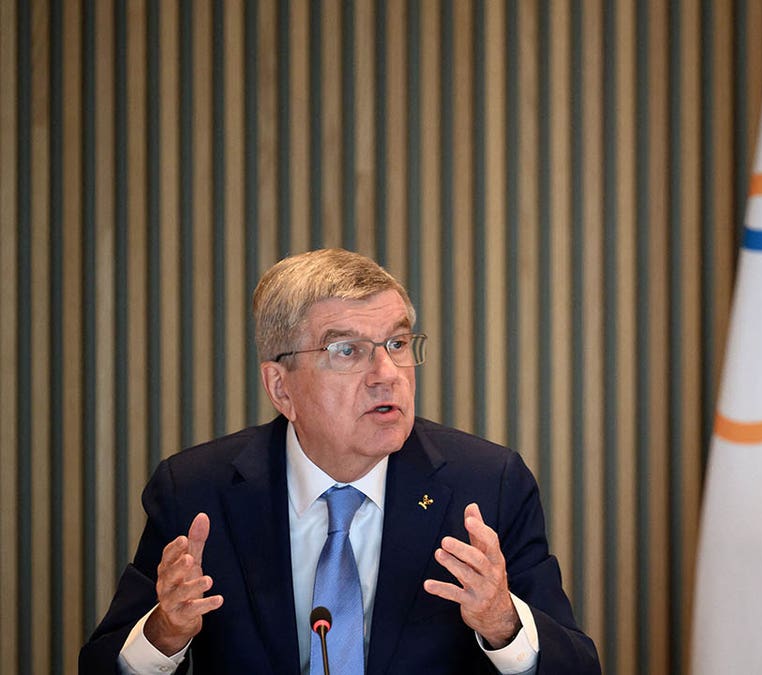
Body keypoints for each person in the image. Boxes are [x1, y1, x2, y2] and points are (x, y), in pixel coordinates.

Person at [80, 249, 600, 674]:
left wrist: (503, 622)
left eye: (397, 343)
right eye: (347, 351)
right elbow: (102, 666)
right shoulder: (196, 492)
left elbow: (577, 667)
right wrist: (164, 634)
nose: (387, 372)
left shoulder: (487, 485)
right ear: (280, 388)